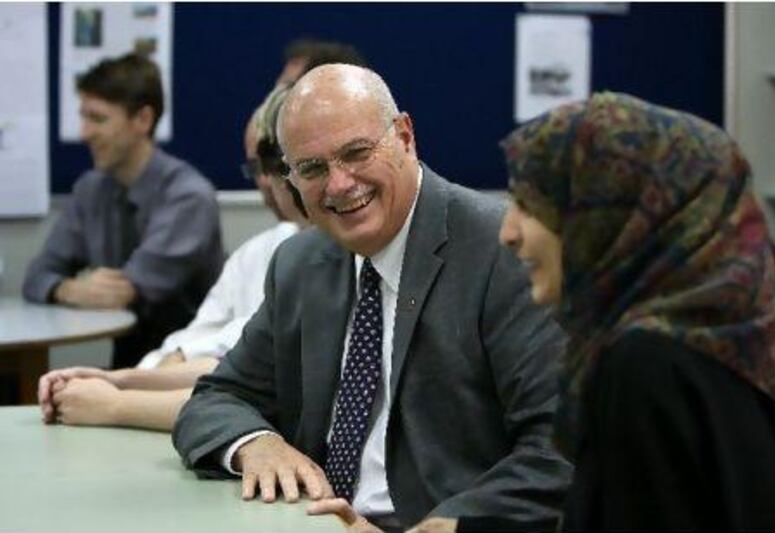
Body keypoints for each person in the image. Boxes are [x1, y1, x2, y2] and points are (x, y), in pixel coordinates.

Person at [173, 64, 572, 532]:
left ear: (405, 136)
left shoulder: (501, 249)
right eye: (313, 168)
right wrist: (256, 442)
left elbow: (558, 448)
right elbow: (217, 397)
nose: (340, 184)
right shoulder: (300, 263)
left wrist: (453, 524)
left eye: (357, 153)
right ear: (291, 178)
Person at [452, 91, 775, 531]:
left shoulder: (645, 364)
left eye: (530, 205)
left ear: (610, 214)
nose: (508, 232)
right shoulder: (722, 340)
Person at [35, 40, 368, 432]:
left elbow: (247, 384)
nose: (265, 180)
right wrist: (119, 379)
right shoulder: (275, 250)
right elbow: (223, 352)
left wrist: (116, 401)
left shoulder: (347, 257)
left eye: (273, 162)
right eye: (258, 165)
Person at [22, 52, 224, 369]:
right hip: (126, 366)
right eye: (83, 117)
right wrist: (67, 287)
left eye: (98, 119)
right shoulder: (91, 189)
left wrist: (72, 289)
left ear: (142, 120)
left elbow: (121, 293)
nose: (84, 132)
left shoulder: (188, 196)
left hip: (186, 370)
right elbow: (36, 276)